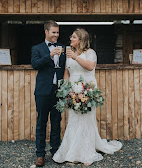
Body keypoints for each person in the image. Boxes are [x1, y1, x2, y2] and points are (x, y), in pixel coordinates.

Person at [53, 28, 122, 166]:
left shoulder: (90, 53)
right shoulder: (69, 54)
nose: (70, 39)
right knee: (74, 120)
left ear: (81, 40)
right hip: (73, 90)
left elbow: (90, 67)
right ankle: (73, 152)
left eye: (73, 37)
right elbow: (67, 72)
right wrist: (66, 89)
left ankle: (86, 152)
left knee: (87, 120)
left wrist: (76, 57)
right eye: (71, 37)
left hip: (87, 89)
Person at [31, 21, 66, 167]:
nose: (56, 35)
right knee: (41, 122)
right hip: (43, 91)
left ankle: (56, 151)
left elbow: (67, 67)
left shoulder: (64, 48)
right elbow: (35, 65)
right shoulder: (37, 48)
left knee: (56, 121)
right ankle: (40, 154)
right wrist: (50, 55)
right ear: (46, 32)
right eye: (53, 32)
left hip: (58, 90)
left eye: (57, 33)